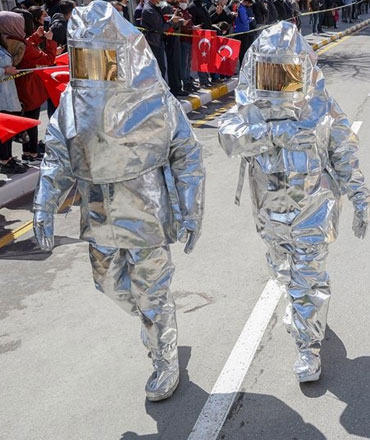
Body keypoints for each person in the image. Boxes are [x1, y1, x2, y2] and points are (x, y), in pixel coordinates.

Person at [32, 0, 205, 402]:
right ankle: (157, 322)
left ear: (120, 56)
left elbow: (187, 156)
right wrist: (43, 207)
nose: (91, 67)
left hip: (145, 211)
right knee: (109, 284)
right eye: (83, 58)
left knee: (152, 290)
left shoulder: (154, 99)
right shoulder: (72, 104)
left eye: (100, 59)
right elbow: (56, 156)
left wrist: (191, 209)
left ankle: (163, 356)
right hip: (98, 212)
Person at [218, 20, 370, 385]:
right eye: (270, 72)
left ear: (301, 70)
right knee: (282, 271)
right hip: (269, 212)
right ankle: (304, 310)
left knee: (308, 277)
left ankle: (308, 347)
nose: (278, 81)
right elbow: (228, 136)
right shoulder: (252, 108)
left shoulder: (320, 108)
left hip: (313, 210)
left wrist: (360, 199)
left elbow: (345, 154)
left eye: (286, 72)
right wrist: (272, 133)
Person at [1, 10, 57, 165]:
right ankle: (30, 153)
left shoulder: (6, 40)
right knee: (31, 121)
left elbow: (26, 45)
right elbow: (48, 59)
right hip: (28, 87)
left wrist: (36, 37)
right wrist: (50, 42)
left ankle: (19, 155)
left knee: (22, 121)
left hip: (16, 87)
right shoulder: (20, 45)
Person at [0, 42, 25, 174]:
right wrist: (5, 71)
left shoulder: (3, 46)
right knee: (3, 132)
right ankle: (4, 161)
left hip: (7, 93)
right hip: (2, 97)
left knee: (7, 130)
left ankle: (8, 158)